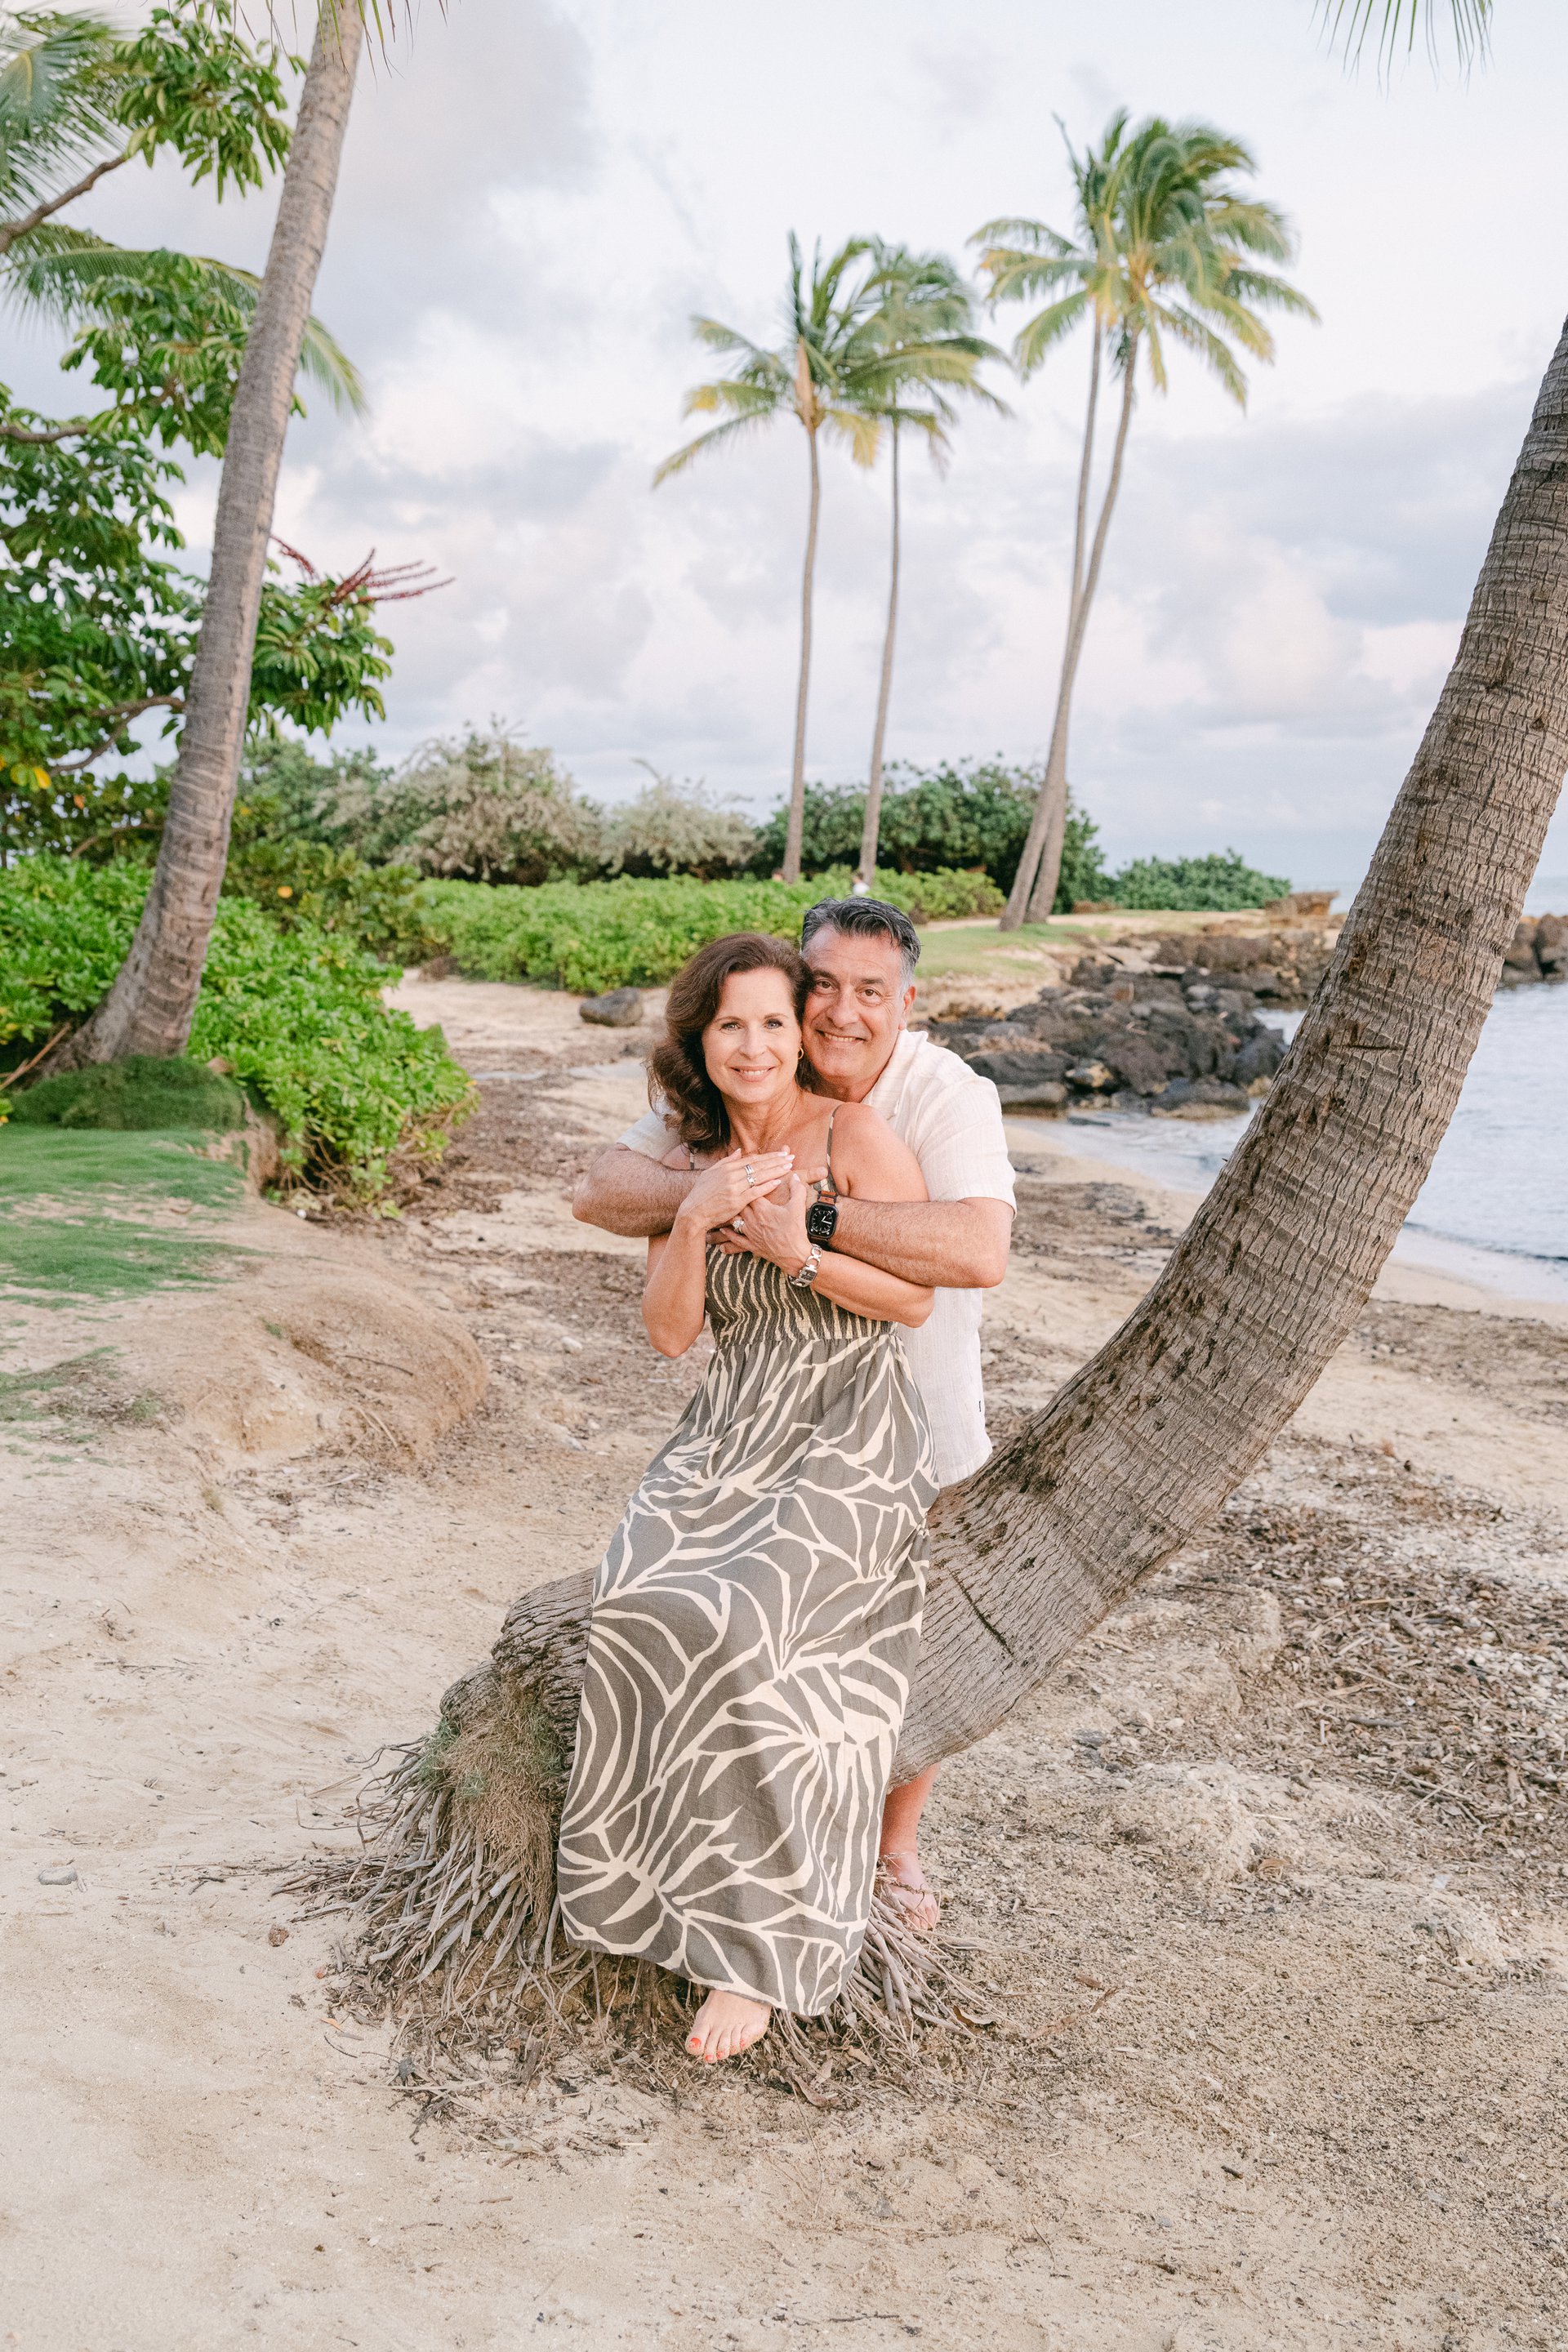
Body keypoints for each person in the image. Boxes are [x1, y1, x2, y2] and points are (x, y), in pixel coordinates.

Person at [572, 896, 1016, 1927]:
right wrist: (704, 1198)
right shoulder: (748, 1075)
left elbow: (974, 1253)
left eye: (872, 992)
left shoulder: (938, 1095)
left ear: (907, 1002)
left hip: (906, 1405)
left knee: (896, 1638)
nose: (841, 1013)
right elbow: (601, 1192)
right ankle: (658, 1860)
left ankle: (889, 1849)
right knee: (665, 1607)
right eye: (822, 988)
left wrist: (802, 1222)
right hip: (753, 1420)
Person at [555, 931, 938, 2065]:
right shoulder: (693, 1157)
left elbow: (914, 1303)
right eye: (733, 1026)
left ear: (798, 1036)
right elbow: (672, 1335)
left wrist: (793, 1246)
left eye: (775, 1022)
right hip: (732, 1422)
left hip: (850, 1422)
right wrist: (692, 1215)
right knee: (633, 1599)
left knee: (749, 1624)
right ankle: (645, 1893)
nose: (756, 1045)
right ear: (703, 1040)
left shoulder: (851, 1134)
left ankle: (757, 1953)